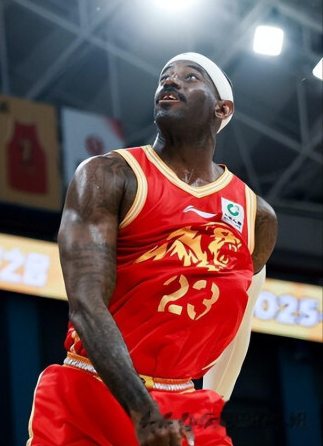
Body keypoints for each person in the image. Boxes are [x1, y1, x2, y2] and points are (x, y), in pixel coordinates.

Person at [27, 52, 277, 446]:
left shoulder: (255, 214)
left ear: (222, 109)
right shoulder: (108, 175)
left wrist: (210, 407)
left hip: (182, 404)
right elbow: (86, 304)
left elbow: (238, 325)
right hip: (90, 390)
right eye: (165, 77)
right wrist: (144, 413)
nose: (171, 81)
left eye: (190, 77)